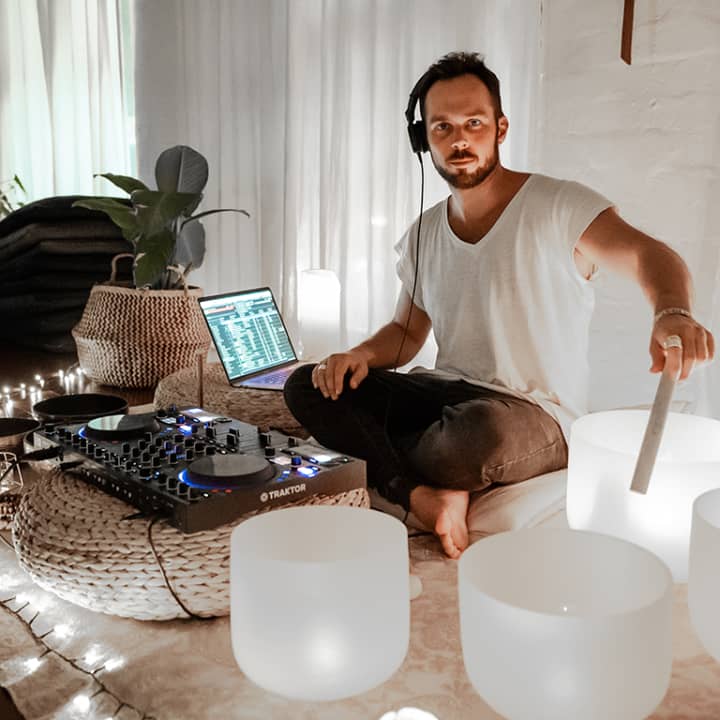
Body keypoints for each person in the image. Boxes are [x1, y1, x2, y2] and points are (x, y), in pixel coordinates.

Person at [283, 51, 715, 559]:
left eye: (474, 123)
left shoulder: (559, 205)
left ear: (500, 128)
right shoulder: (423, 233)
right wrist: (357, 356)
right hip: (445, 393)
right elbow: (405, 333)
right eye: (442, 127)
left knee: (468, 440)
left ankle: (400, 470)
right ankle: (421, 495)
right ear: (424, 138)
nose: (459, 139)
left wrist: (672, 312)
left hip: (533, 416)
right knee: (307, 386)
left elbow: (649, 255)